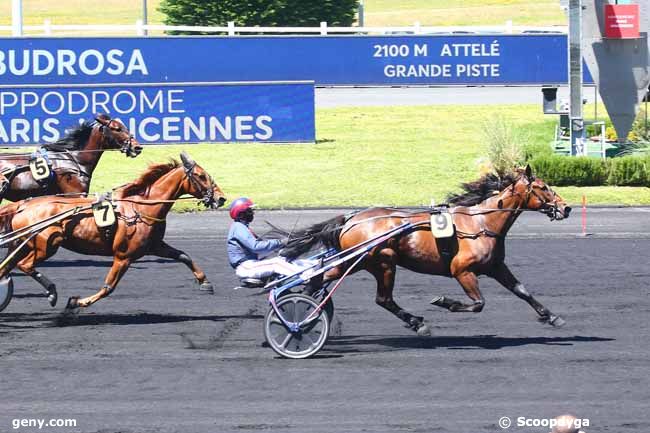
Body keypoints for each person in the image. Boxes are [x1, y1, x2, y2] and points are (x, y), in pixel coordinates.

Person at [227, 197, 310, 281]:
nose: (253, 213)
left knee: (284, 259)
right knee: (276, 263)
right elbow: (256, 247)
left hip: (251, 264)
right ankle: (307, 276)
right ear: (241, 214)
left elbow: (263, 249)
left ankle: (312, 267)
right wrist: (280, 242)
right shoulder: (238, 228)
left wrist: (284, 246)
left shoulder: (242, 227)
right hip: (246, 267)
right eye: (250, 211)